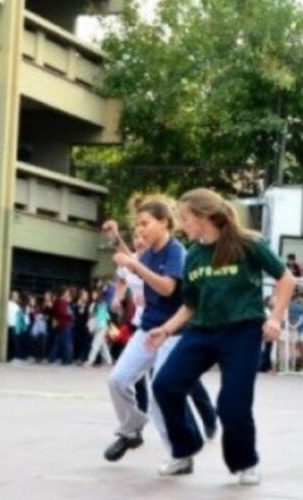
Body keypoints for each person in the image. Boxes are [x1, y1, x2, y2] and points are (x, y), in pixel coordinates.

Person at [149, 188, 296, 483]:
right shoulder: (193, 255)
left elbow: (286, 278)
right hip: (201, 331)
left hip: (241, 332)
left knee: (232, 404)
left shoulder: (248, 244)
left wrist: (276, 318)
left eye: (185, 218)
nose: (182, 224)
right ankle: (185, 449)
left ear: (203, 217)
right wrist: (166, 329)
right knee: (165, 385)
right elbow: (191, 304)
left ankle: (245, 463)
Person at [100, 199, 189, 466]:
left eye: (145, 223)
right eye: (137, 224)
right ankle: (132, 429)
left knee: (160, 394)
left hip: (173, 333)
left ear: (164, 222)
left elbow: (167, 288)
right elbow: (130, 260)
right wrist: (115, 237)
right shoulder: (148, 253)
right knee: (117, 380)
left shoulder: (176, 252)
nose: (140, 229)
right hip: (147, 328)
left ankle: (180, 456)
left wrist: (136, 266)